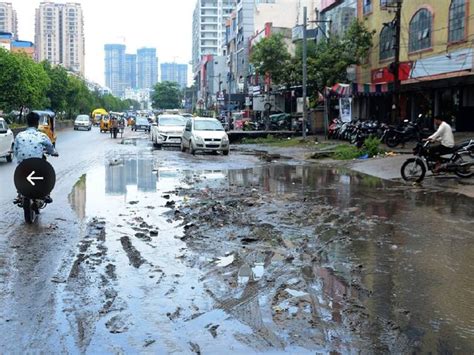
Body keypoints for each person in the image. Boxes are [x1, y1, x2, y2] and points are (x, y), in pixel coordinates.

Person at [13, 111, 58, 203]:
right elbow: (50, 148)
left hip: (23, 165)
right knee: (46, 173)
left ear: (27, 122)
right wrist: (54, 153)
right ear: (37, 123)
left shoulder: (19, 135)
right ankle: (46, 194)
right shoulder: (42, 136)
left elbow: (15, 151)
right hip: (36, 164)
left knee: (20, 173)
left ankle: (19, 193)